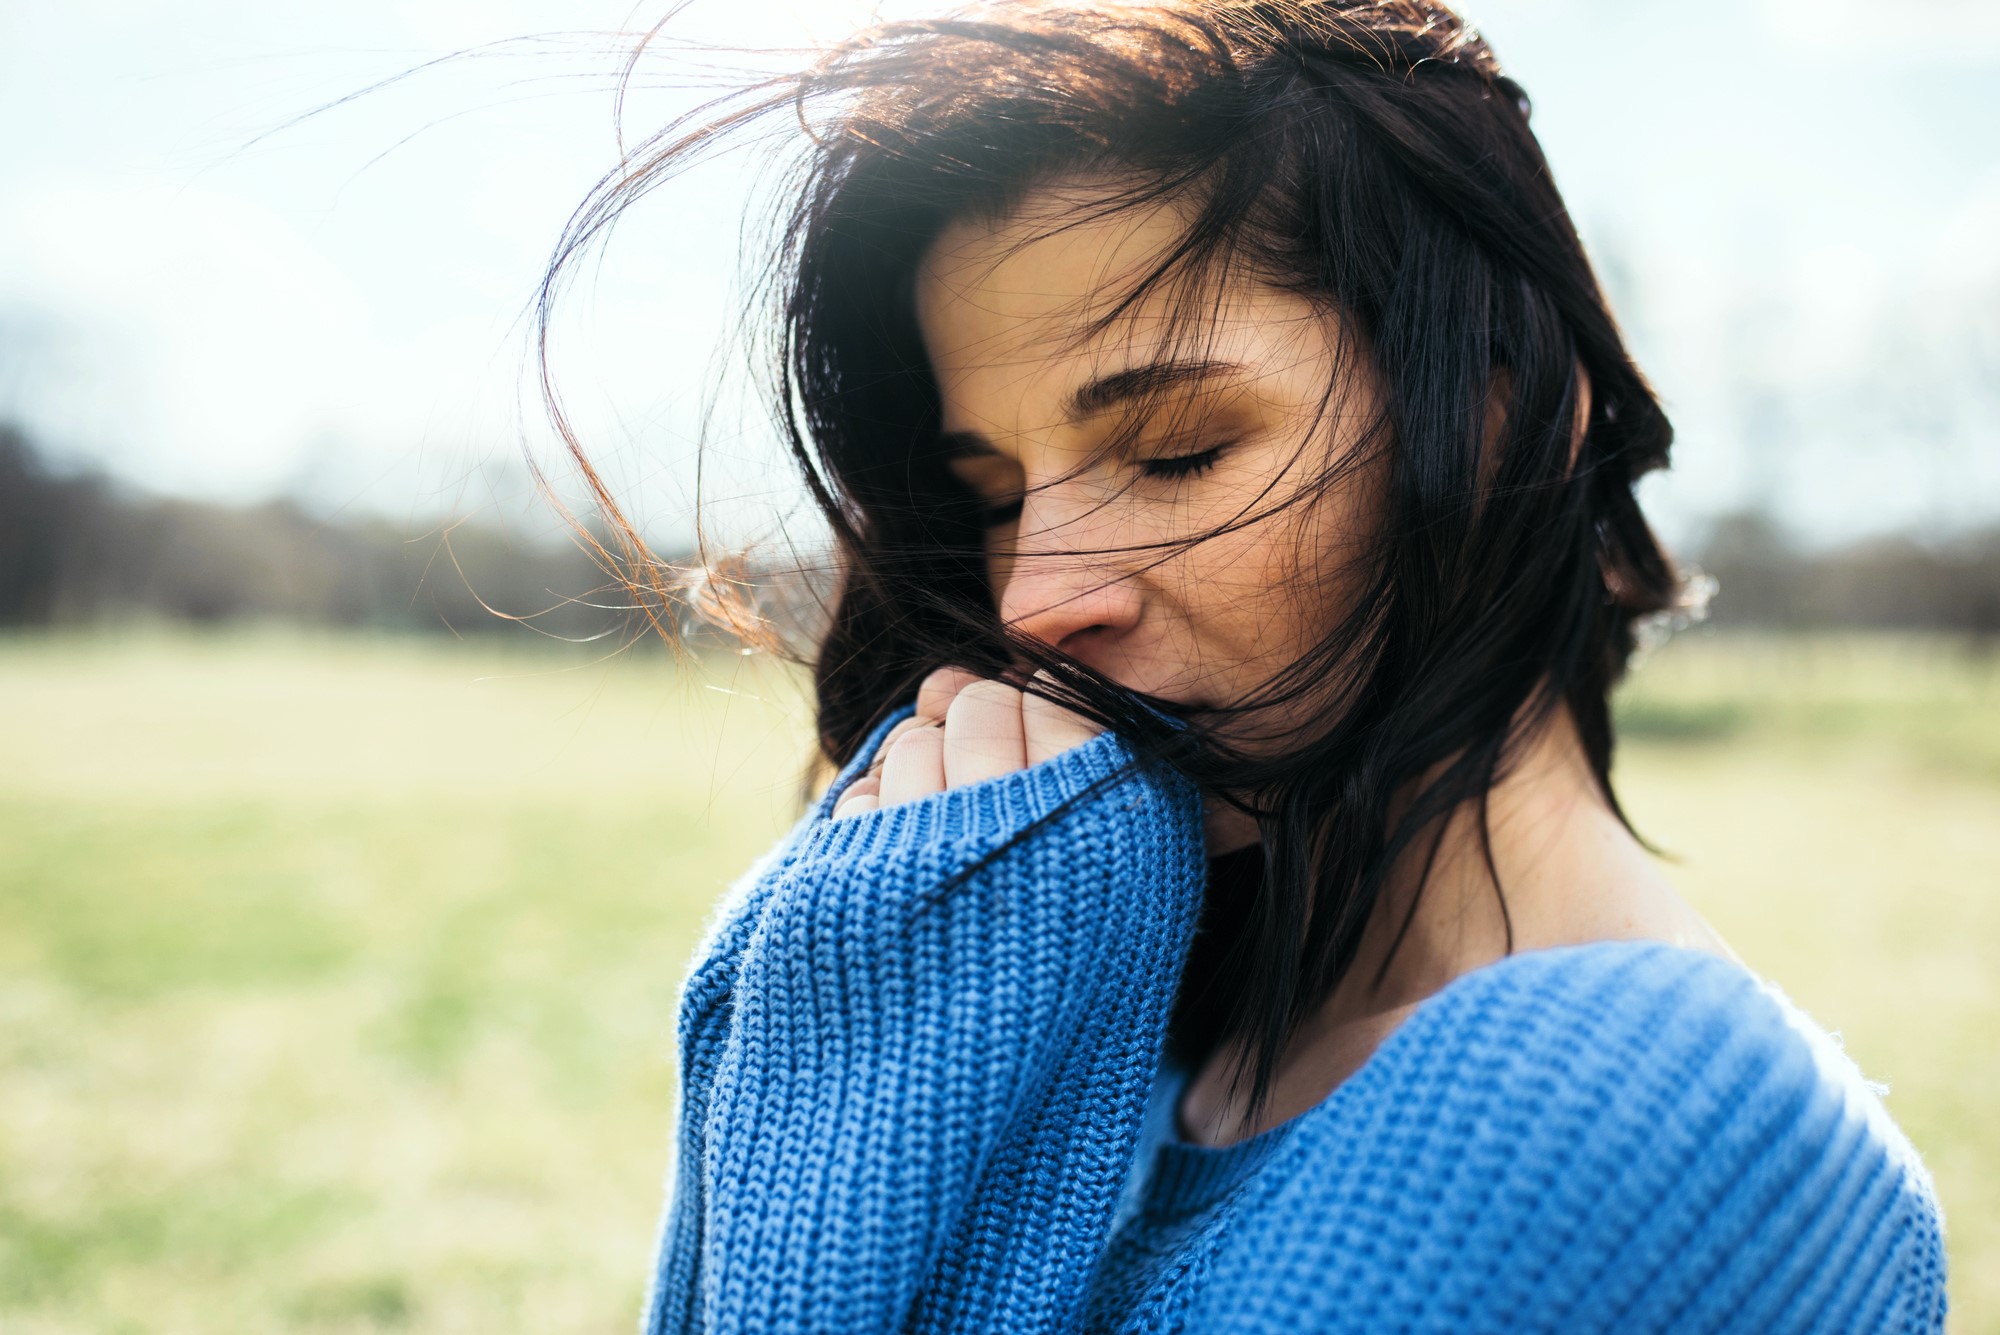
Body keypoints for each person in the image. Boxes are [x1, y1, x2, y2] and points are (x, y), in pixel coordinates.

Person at [540, 1, 1949, 1329]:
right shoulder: (1153, 1034)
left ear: (1504, 423)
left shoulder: (1629, 1115)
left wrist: (891, 1062)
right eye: (995, 497)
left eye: (1174, 453)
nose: (1035, 600)